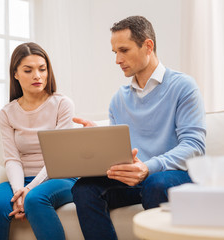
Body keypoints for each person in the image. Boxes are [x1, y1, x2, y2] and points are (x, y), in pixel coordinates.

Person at [72, 16, 206, 239]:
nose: (117, 59)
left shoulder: (183, 86)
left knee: (155, 183)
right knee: (84, 189)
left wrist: (149, 167)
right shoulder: (119, 99)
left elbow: (194, 146)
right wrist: (97, 142)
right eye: (114, 52)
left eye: (123, 50)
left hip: (174, 175)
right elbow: (118, 153)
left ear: (148, 46)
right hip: (135, 178)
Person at [0, 42, 76, 240]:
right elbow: (12, 158)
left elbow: (58, 157)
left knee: (34, 199)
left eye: (42, 69)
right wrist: (18, 191)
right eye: (28, 70)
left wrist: (29, 190)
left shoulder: (62, 104)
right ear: (15, 74)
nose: (37, 76)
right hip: (22, 179)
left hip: (61, 177)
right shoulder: (7, 113)